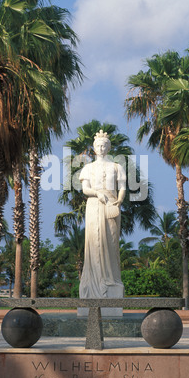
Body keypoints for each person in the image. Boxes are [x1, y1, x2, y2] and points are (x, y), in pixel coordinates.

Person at [79, 130, 126, 309]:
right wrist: (97, 193)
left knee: (111, 242)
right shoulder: (88, 168)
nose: (101, 148)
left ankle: (111, 280)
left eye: (104, 145)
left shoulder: (116, 167)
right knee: (94, 242)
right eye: (98, 145)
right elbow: (85, 189)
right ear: (94, 148)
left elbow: (122, 187)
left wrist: (119, 200)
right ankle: (94, 281)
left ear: (108, 147)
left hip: (111, 205)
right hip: (94, 205)